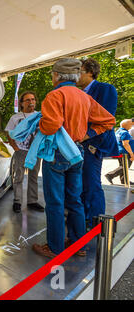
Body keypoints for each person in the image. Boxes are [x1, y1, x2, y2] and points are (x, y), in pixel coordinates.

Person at [32, 58, 115, 259]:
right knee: (75, 201)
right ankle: (80, 245)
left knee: (55, 203)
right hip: (77, 153)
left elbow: (50, 126)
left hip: (57, 153)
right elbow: (109, 120)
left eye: (53, 74)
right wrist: (86, 135)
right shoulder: (83, 96)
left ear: (58, 75)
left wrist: (39, 125)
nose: (52, 77)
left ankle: (55, 248)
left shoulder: (55, 95)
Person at [76, 58, 119, 224]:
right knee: (79, 183)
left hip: (93, 144)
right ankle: (83, 218)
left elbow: (107, 119)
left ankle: (95, 221)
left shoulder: (105, 89)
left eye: (79, 71)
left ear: (90, 72)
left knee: (91, 183)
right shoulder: (77, 93)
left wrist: (89, 139)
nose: (75, 75)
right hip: (77, 145)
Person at [5, 91, 44, 213]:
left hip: (35, 151)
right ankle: (17, 201)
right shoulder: (15, 118)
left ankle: (32, 201)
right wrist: (15, 148)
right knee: (19, 177)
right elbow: (8, 132)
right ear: (21, 103)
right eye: (27, 100)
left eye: (33, 99)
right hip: (21, 150)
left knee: (33, 176)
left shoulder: (40, 116)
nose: (31, 102)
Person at [105, 119, 134, 185]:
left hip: (120, 151)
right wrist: (131, 153)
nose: (131, 126)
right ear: (126, 125)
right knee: (125, 166)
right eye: (130, 124)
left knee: (122, 165)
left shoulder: (118, 131)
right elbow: (125, 144)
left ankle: (124, 180)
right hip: (125, 152)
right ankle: (110, 175)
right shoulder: (125, 133)